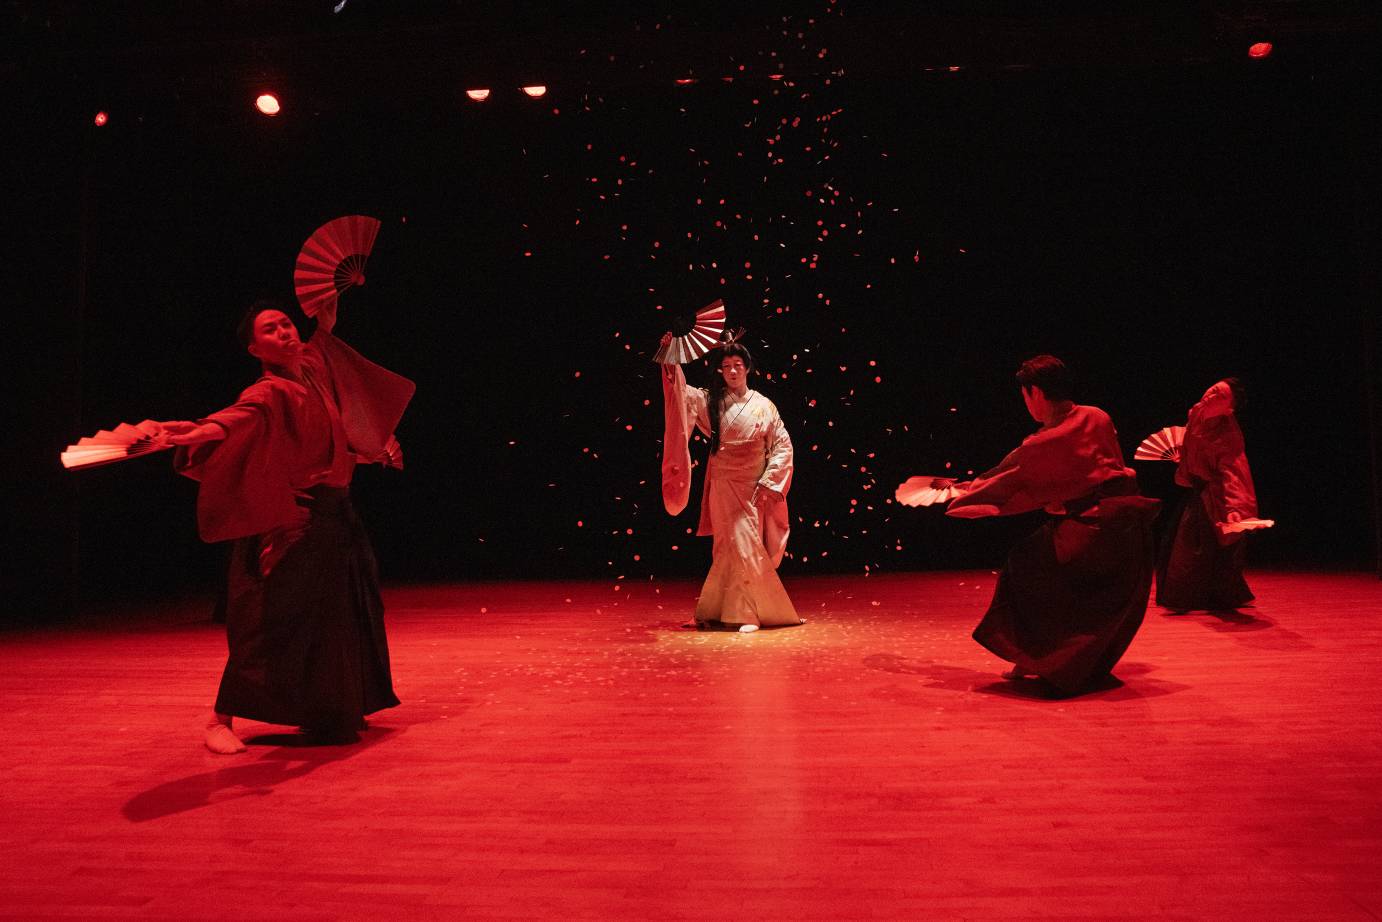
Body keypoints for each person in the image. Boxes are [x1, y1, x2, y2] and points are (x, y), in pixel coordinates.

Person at [160, 297, 414, 752]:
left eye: (285, 324)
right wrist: (201, 431)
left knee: (341, 616)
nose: (284, 333)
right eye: (270, 331)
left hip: (337, 514)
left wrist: (330, 306)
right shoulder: (271, 390)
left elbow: (321, 341)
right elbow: (242, 417)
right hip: (295, 518)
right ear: (256, 350)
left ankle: (329, 709)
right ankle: (219, 719)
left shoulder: (311, 370)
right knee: (270, 618)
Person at [938, 355, 1160, 695]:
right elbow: (1086, 471)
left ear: (1035, 393)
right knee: (1083, 591)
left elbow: (1015, 478)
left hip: (1094, 527)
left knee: (1028, 569)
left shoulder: (1044, 442)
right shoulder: (1097, 416)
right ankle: (1059, 662)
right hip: (1128, 524)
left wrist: (967, 494)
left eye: (1025, 396)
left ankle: (1038, 659)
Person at [660, 335, 802, 632]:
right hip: (722, 483)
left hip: (752, 484)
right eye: (727, 366)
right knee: (726, 546)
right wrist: (670, 356)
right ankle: (717, 611)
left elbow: (782, 445)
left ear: (748, 368)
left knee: (745, 544)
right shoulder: (712, 401)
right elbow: (680, 395)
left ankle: (747, 612)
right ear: (721, 371)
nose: (733, 371)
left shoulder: (764, 406)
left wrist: (770, 479)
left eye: (738, 365)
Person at [1156, 378, 1258, 612]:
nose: (1211, 396)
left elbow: (1234, 471)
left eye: (1220, 396)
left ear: (1229, 409)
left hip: (1217, 492)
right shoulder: (1197, 413)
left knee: (1202, 547)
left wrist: (1235, 507)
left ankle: (1195, 598)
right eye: (1213, 390)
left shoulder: (1228, 435)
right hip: (1198, 489)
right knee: (1190, 543)